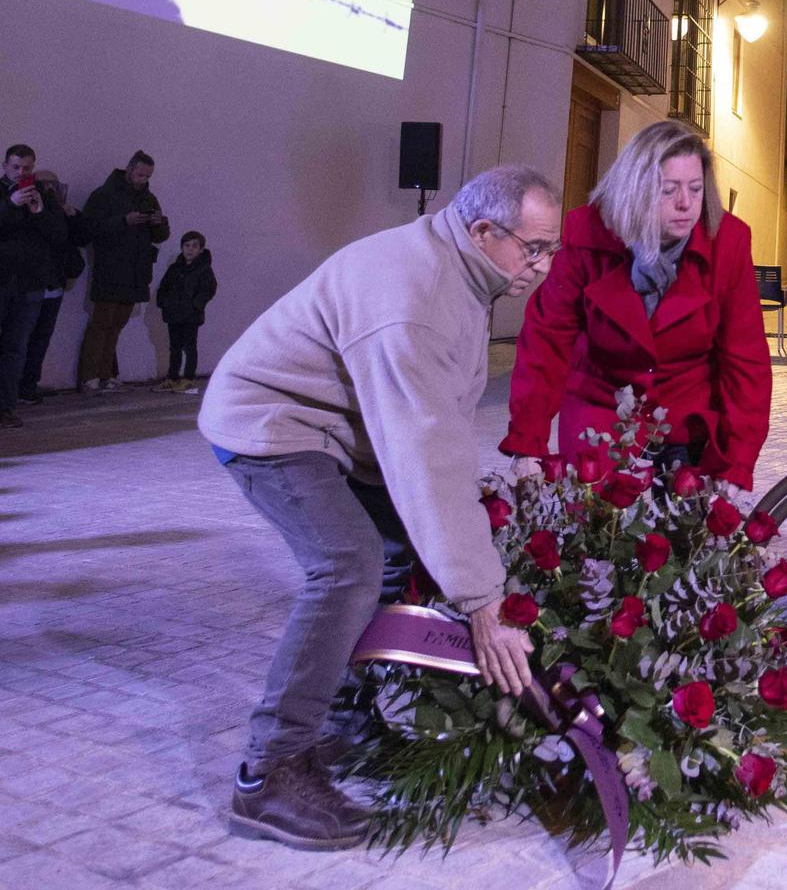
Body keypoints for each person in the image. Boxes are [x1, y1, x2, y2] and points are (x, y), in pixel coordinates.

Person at [200, 164, 562, 852]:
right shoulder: (415, 291)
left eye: (551, 250)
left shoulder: (463, 269)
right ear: (484, 231)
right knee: (348, 563)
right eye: (534, 249)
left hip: (344, 431)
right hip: (271, 420)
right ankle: (268, 774)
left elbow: (438, 433)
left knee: (397, 549)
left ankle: (339, 715)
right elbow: (423, 451)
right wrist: (484, 603)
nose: (542, 267)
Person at [502, 121, 770, 490]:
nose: (686, 204)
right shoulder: (586, 233)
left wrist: (737, 464)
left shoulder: (728, 242)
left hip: (684, 420)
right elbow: (546, 342)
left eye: (695, 189)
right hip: (598, 417)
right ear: (637, 189)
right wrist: (527, 442)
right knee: (598, 539)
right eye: (668, 190)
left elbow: (745, 361)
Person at [78, 151, 169, 390]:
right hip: (110, 268)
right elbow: (87, 229)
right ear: (128, 169)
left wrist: (158, 222)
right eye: (139, 174)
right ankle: (89, 376)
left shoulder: (149, 198)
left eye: (147, 176)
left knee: (118, 324)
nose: (142, 180)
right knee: (101, 323)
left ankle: (106, 374)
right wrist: (123, 221)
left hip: (136, 271)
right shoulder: (104, 195)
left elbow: (161, 236)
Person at [1, 145, 64, 428]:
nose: (21, 173)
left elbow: (60, 236)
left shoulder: (44, 197)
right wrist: (10, 204)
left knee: (16, 349)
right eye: (16, 167)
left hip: (29, 285)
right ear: (5, 166)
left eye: (27, 168)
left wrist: (39, 212)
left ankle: (6, 407)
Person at [19, 167, 85, 404]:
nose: (50, 190)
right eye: (45, 184)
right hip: (30, 285)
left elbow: (80, 239)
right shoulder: (27, 210)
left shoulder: (62, 212)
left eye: (54, 186)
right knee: (20, 338)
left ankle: (29, 385)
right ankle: (15, 386)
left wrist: (72, 217)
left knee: (42, 338)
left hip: (54, 284)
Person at [154, 231, 217, 392]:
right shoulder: (175, 268)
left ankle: (188, 378)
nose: (190, 249)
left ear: (201, 249)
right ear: (182, 248)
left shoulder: (203, 269)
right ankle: (172, 378)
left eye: (195, 246)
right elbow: (164, 287)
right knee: (174, 347)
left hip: (191, 316)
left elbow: (208, 289)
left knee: (189, 347)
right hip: (174, 314)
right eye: (187, 245)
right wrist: (164, 303)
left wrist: (195, 305)